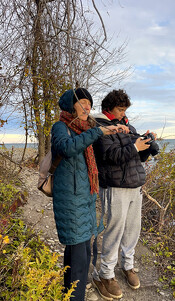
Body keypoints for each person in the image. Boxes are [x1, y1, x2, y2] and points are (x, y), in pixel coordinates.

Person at [51, 88, 127, 301]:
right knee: (79, 260)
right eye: (82, 102)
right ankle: (74, 297)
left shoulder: (85, 129)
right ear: (70, 104)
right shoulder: (61, 127)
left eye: (89, 104)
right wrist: (97, 132)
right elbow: (66, 149)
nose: (87, 107)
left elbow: (99, 154)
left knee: (80, 254)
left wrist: (116, 132)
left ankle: (68, 293)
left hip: (85, 200)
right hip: (70, 202)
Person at [91, 89, 157, 299]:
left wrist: (146, 145)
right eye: (120, 109)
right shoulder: (100, 127)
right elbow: (110, 156)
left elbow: (138, 158)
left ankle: (127, 265)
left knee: (132, 229)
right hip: (113, 186)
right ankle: (106, 273)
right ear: (108, 109)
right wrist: (134, 147)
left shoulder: (129, 127)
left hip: (134, 185)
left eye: (125, 110)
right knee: (114, 230)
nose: (122, 114)